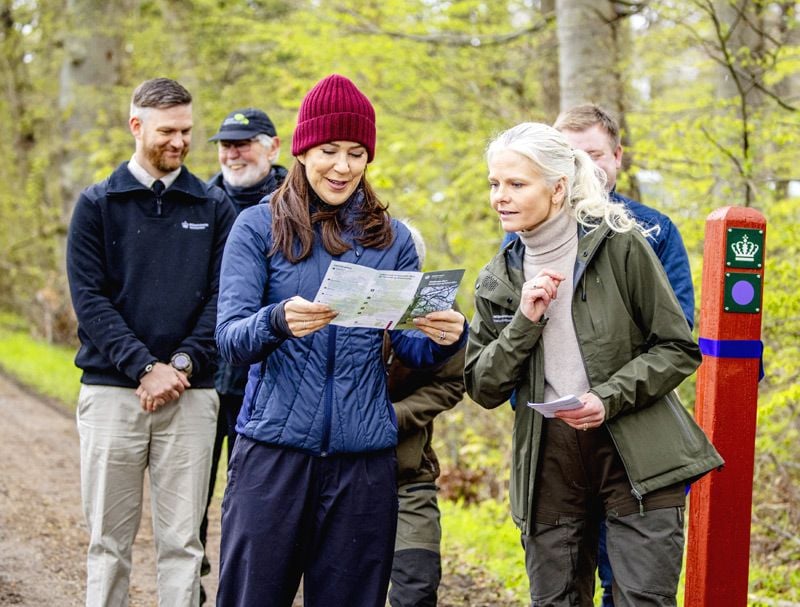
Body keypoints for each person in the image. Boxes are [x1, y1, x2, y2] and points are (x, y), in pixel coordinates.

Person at [215, 74, 467, 607]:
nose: (343, 166)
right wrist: (277, 321)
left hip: (364, 464)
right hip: (272, 455)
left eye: (356, 153)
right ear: (304, 148)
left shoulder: (393, 239)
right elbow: (231, 339)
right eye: (329, 150)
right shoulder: (257, 229)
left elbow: (410, 349)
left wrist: (444, 337)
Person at [465, 122, 722, 606]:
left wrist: (606, 398)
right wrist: (524, 321)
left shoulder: (621, 244)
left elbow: (676, 347)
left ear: (558, 188)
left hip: (638, 453)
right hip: (549, 461)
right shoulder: (497, 278)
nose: (500, 196)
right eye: (494, 184)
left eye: (517, 184)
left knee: (641, 600)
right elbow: (483, 386)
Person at [66, 77, 236, 606]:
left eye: (186, 131)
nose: (179, 142)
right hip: (113, 395)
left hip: (192, 394)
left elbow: (223, 299)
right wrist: (145, 367)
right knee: (108, 544)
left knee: (183, 544)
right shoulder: (97, 205)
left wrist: (181, 364)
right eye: (167, 131)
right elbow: (90, 301)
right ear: (136, 126)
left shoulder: (214, 207)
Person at [198, 107, 288, 599]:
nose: (233, 153)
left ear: (272, 147)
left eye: (244, 142)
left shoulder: (293, 203)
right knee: (191, 497)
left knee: (251, 499)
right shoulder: (201, 201)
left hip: (264, 378)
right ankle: (192, 585)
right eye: (225, 144)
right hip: (201, 375)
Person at [386, 223, 466, 607]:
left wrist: (396, 415)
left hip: (409, 472)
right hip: (342, 472)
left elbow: (452, 383)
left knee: (416, 586)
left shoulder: (437, 308)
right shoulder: (340, 300)